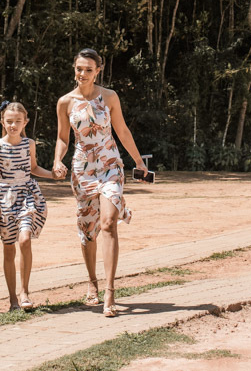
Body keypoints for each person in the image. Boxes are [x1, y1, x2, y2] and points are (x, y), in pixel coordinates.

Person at [52, 48, 149, 318]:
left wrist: (138, 162)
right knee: (88, 229)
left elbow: (122, 129)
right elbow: (62, 138)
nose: (82, 74)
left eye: (88, 69)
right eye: (79, 69)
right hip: (82, 170)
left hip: (110, 166)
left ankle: (109, 290)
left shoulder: (109, 97)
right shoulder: (65, 102)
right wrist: (58, 160)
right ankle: (92, 281)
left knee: (108, 223)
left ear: (98, 71)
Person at [0, 101, 53, 311]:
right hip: (4, 199)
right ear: (2, 121)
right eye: (9, 121)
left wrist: (52, 174)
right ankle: (13, 300)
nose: (13, 125)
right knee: (9, 249)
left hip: (26, 195)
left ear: (25, 122)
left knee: (25, 239)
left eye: (17, 121)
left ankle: (25, 292)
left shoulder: (29, 144)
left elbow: (34, 168)